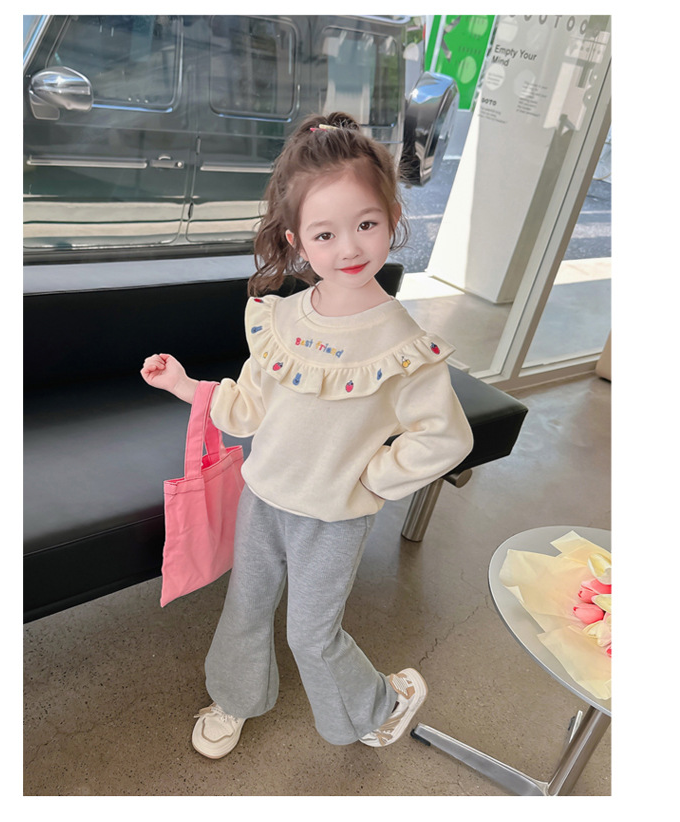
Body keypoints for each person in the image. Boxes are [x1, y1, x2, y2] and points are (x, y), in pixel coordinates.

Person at [141, 112, 474, 759]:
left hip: (333, 519)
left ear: (392, 217)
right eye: (326, 234)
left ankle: (380, 705)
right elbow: (247, 410)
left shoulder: (403, 345)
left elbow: (445, 438)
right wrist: (185, 386)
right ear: (298, 241)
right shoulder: (281, 319)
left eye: (366, 224)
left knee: (311, 635)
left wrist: (370, 478)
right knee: (245, 608)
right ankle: (235, 697)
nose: (349, 248)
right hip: (263, 499)